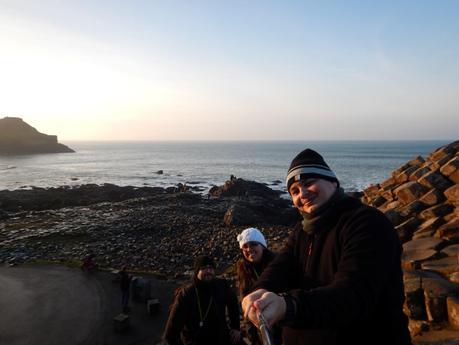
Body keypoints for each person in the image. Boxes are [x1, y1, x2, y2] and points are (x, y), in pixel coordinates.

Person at [241, 148, 412, 345]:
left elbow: (353, 294)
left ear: (332, 181)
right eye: (294, 191)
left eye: (309, 183)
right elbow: (280, 266)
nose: (302, 194)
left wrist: (289, 306)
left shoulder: (367, 223)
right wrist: (260, 289)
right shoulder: (303, 230)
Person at [163, 255, 242, 345]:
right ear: (197, 271)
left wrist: (236, 327)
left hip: (220, 337)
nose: (208, 271)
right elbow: (173, 326)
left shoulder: (221, 286)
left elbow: (233, 304)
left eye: (211, 268)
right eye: (204, 268)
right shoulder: (186, 293)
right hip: (195, 340)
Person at [235, 227, 280, 345]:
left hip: (279, 320)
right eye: (245, 246)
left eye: (253, 244)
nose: (249, 249)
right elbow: (244, 297)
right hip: (258, 323)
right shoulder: (242, 268)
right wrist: (250, 331)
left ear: (262, 246)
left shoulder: (277, 263)